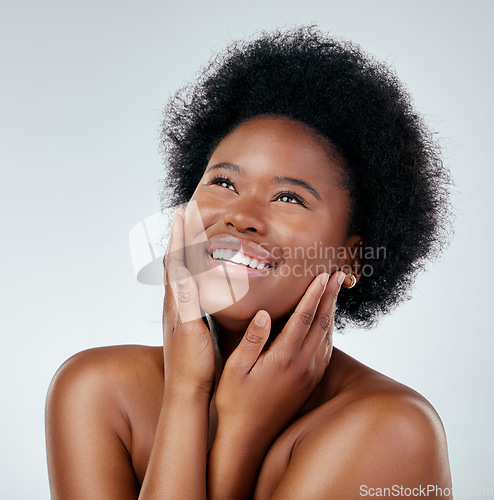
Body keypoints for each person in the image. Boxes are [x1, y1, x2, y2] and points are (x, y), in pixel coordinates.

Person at [45, 26, 453, 499]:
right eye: (223, 183)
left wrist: (241, 432)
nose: (240, 217)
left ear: (351, 256)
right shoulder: (97, 392)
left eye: (288, 197)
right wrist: (185, 393)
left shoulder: (392, 430)